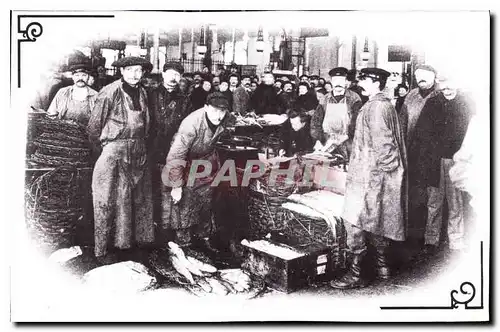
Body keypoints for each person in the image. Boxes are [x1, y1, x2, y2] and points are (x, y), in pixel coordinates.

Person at [331, 68, 407, 289]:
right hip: (373, 174)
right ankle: (382, 267)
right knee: (376, 218)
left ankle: (357, 273)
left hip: (369, 175)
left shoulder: (375, 107)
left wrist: (379, 174)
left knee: (354, 219)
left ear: (376, 83)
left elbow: (385, 146)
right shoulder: (382, 105)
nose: (360, 83)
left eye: (364, 80)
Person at [87, 56, 154, 261]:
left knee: (137, 200)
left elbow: (146, 124)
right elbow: (93, 128)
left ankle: (127, 247)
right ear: (122, 71)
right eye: (131, 70)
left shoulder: (142, 92)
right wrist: (107, 151)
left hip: (138, 150)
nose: (135, 74)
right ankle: (101, 251)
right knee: (106, 200)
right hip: (114, 151)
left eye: (139, 70)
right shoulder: (109, 93)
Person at [409, 74, 474, 257]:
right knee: (434, 201)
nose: (448, 91)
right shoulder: (433, 103)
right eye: (444, 88)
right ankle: (431, 239)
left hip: (456, 160)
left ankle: (456, 240)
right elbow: (422, 132)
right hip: (434, 161)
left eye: (451, 87)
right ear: (440, 88)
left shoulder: (465, 104)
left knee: (456, 202)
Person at [162, 92, 234, 246]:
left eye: (222, 111)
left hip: (207, 161)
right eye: (215, 110)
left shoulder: (226, 117)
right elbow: (175, 156)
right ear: (206, 107)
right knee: (185, 201)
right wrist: (176, 186)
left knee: (206, 201)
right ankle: (183, 241)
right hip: (186, 160)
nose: (219, 116)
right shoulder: (191, 124)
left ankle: (203, 238)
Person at [400, 64, 440, 243]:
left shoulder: (440, 95)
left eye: (424, 75)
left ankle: (431, 235)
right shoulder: (411, 95)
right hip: (411, 150)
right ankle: (414, 231)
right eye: (417, 76)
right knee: (414, 192)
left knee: (433, 196)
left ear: (433, 76)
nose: (420, 79)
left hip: (432, 153)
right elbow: (402, 122)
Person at [310, 67, 362, 160]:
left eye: (341, 80)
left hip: (347, 142)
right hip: (327, 142)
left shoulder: (354, 98)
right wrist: (317, 139)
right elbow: (315, 122)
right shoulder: (324, 99)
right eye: (335, 80)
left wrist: (346, 136)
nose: (338, 83)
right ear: (331, 82)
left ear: (346, 82)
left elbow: (357, 122)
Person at [47, 58, 98, 125]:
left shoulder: (95, 95)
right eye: (77, 75)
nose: (80, 78)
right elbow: (51, 114)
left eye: (84, 75)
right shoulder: (63, 92)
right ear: (72, 77)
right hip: (63, 132)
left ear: (88, 77)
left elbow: (97, 121)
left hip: (85, 133)